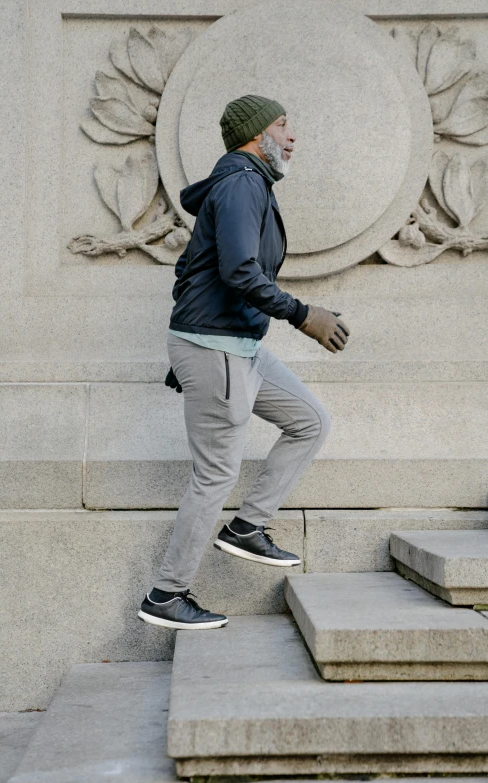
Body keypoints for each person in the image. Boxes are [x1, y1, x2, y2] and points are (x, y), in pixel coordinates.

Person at [138, 94, 350, 630]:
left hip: (236, 346)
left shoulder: (249, 183)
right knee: (214, 475)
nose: (292, 136)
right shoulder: (240, 183)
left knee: (309, 421)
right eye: (284, 125)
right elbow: (239, 271)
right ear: (258, 135)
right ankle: (166, 594)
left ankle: (245, 528)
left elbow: (191, 269)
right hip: (217, 348)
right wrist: (303, 314)